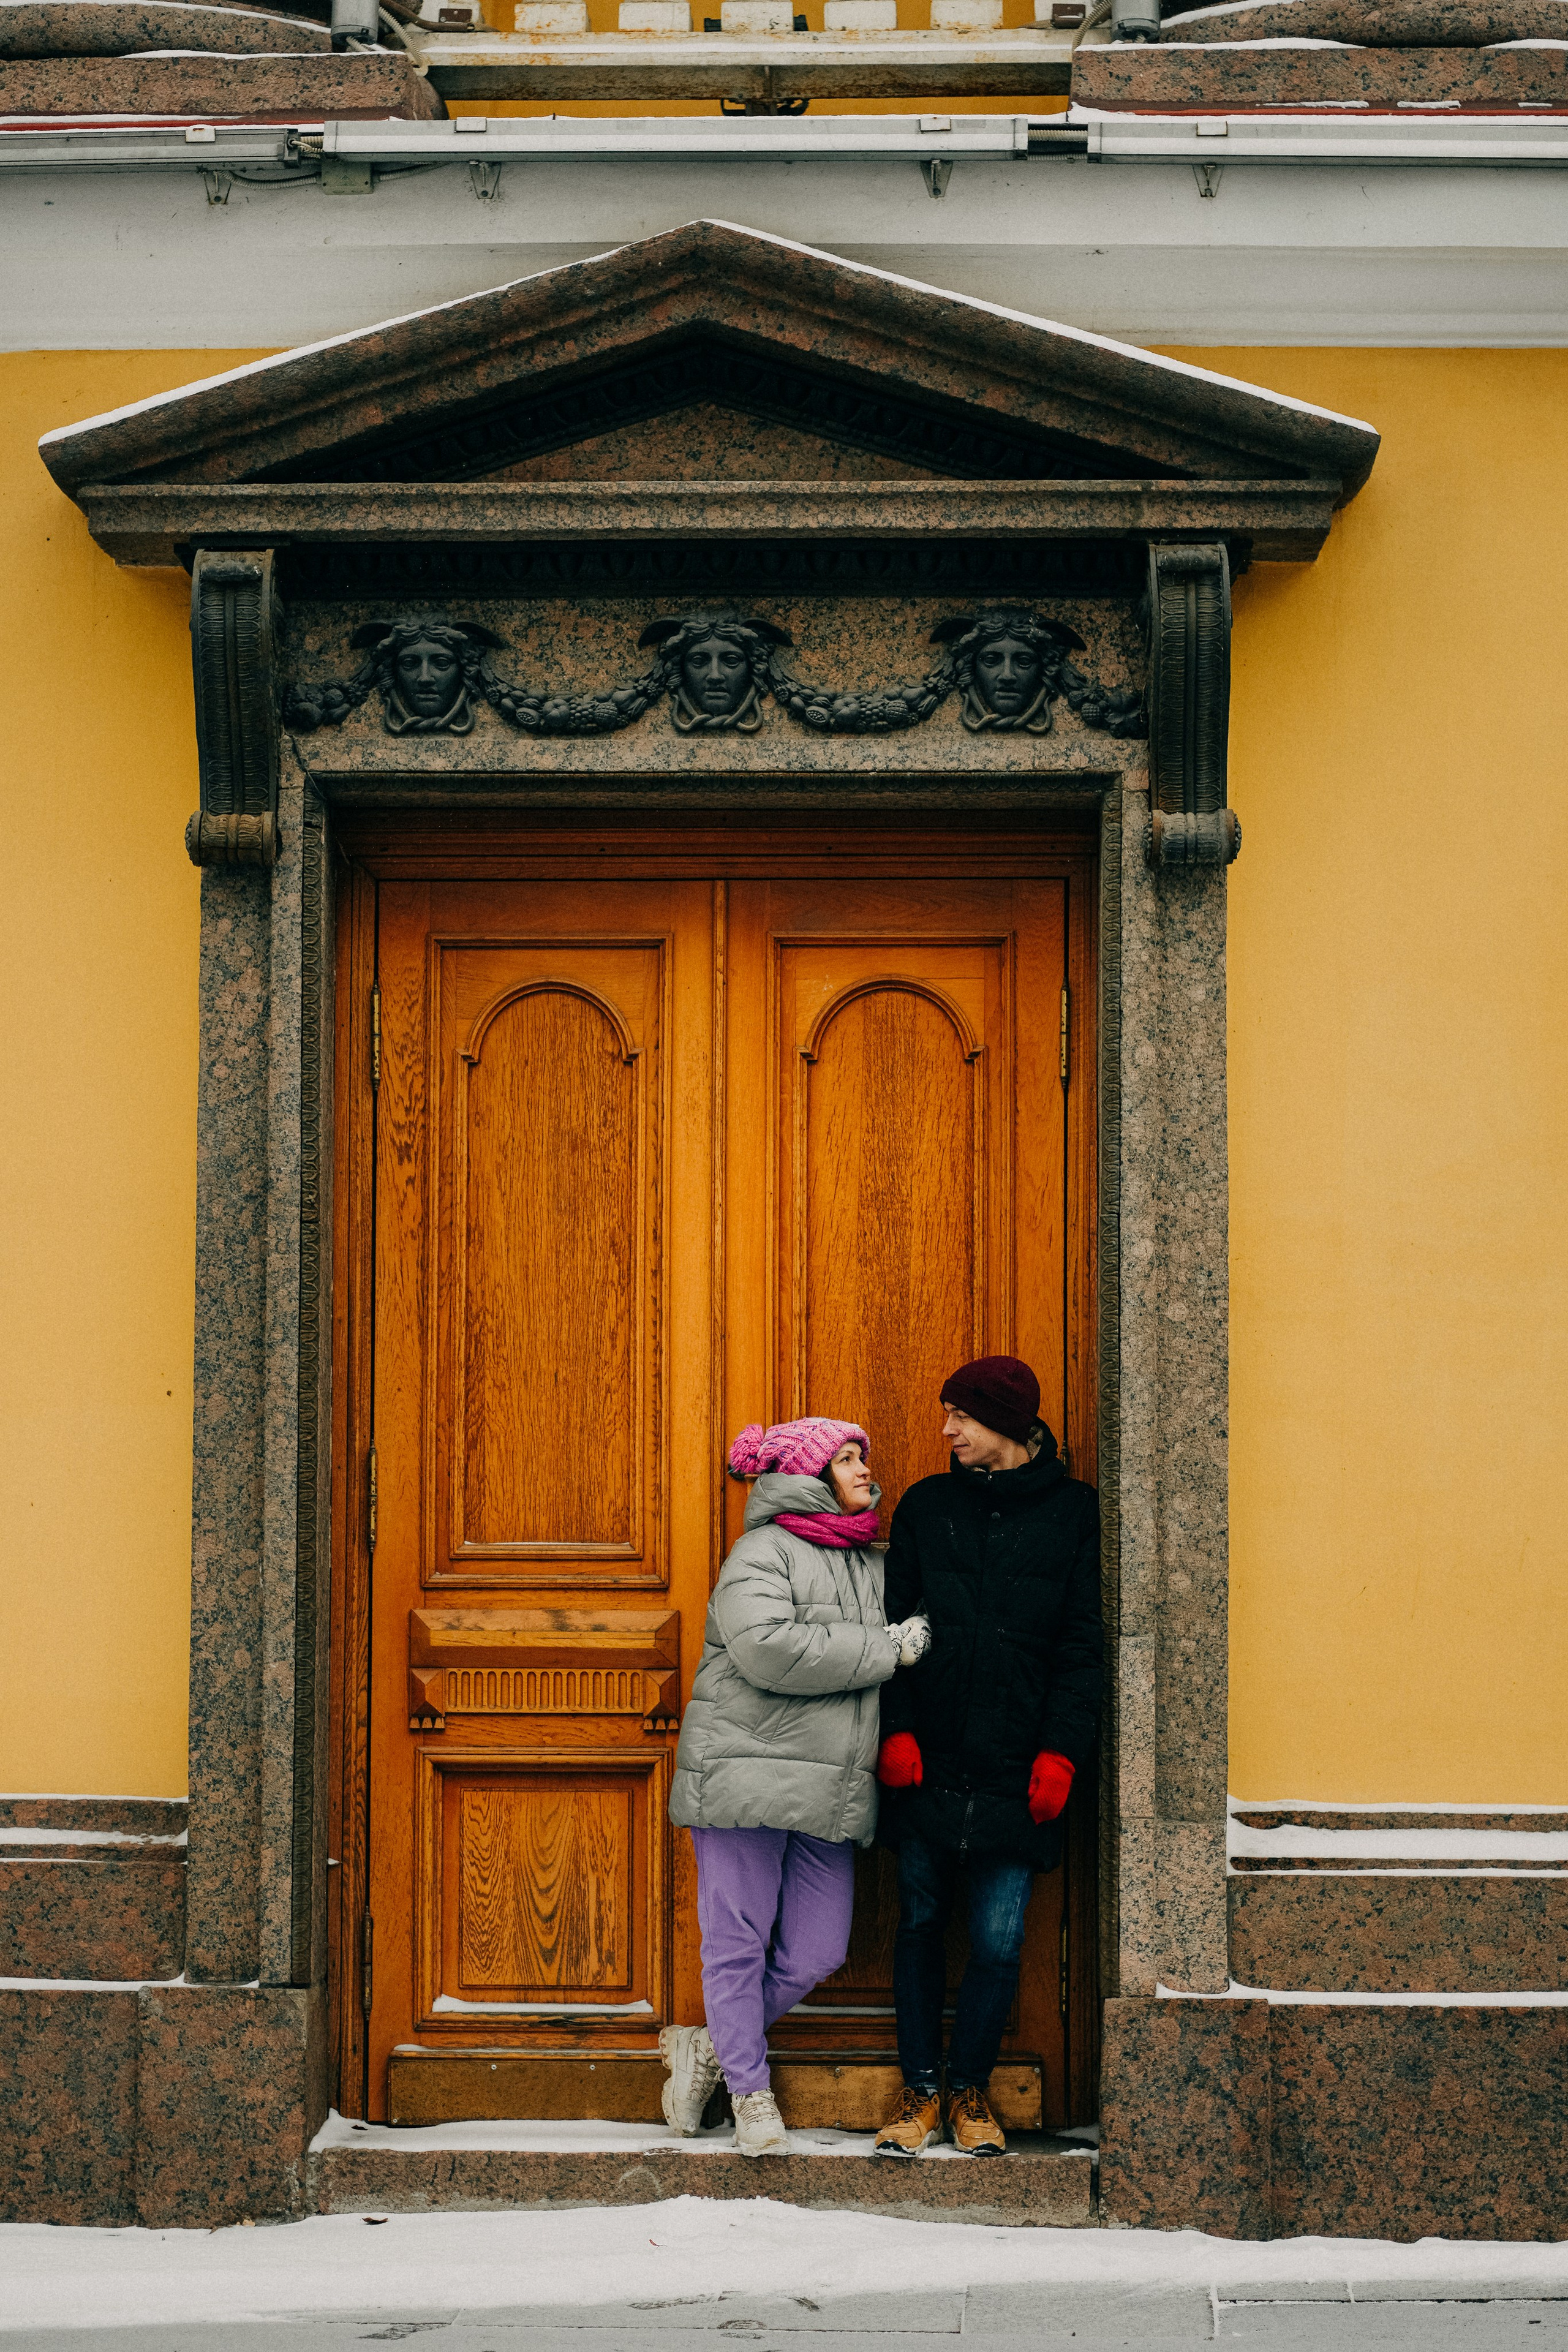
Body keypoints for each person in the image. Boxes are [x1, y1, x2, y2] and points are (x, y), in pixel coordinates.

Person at [662, 1416, 930, 2157]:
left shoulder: (872, 1562)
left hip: (830, 1788)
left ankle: (708, 2046)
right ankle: (750, 2095)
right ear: (806, 1478)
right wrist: (886, 1649)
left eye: (862, 1458)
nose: (863, 1470)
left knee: (816, 1951)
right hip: (743, 1772)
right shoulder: (760, 1554)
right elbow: (768, 1651)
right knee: (737, 1944)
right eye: (846, 1459)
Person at [872, 1355, 1102, 2160]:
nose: (946, 1431)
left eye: (960, 1417)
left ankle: (970, 2089)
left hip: (1017, 1768)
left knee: (1001, 1940)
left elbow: (1081, 1650)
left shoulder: (1074, 1515)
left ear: (1006, 1425)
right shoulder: (927, 1507)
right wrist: (894, 1731)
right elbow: (893, 1629)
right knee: (923, 1923)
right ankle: (921, 2092)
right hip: (928, 1761)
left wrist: (1062, 1756)